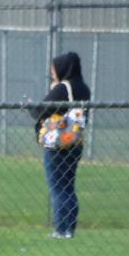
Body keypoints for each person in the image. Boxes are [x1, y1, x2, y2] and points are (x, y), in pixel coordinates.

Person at [33, 51, 90, 239]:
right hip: (75, 143)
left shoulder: (63, 88)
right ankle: (69, 229)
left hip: (58, 145)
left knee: (57, 186)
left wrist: (52, 90)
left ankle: (60, 229)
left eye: (54, 68)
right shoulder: (83, 87)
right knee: (69, 186)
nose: (52, 72)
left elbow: (41, 109)